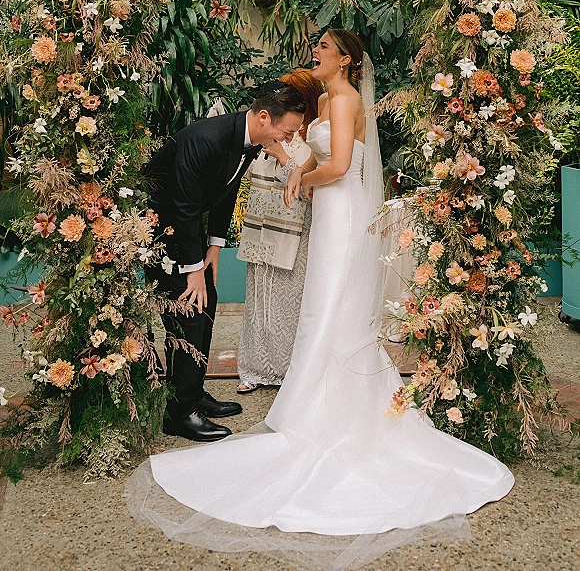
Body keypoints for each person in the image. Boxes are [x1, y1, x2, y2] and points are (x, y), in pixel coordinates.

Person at [130, 30, 514, 567]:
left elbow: (338, 167)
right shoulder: (318, 102)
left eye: (325, 49)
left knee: (331, 303)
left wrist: (301, 178)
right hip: (323, 212)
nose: (316, 54)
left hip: (340, 208)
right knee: (319, 305)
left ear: (346, 59)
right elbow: (206, 193)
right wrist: (294, 177)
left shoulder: (347, 99)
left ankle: (310, 403)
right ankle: (219, 397)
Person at [144, 86, 306, 442]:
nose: (288, 140)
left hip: (184, 230)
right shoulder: (205, 138)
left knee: (207, 303)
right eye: (288, 132)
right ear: (264, 118)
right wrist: (194, 270)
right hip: (155, 229)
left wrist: (214, 248)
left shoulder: (247, 140)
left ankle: (191, 392)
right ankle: (180, 412)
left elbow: (226, 190)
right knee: (191, 307)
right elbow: (184, 206)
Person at [236, 69, 324, 394]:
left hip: (292, 233)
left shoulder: (306, 143)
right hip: (260, 227)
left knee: (285, 302)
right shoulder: (266, 136)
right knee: (258, 300)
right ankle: (252, 368)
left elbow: (304, 187)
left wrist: (284, 156)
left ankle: (286, 370)